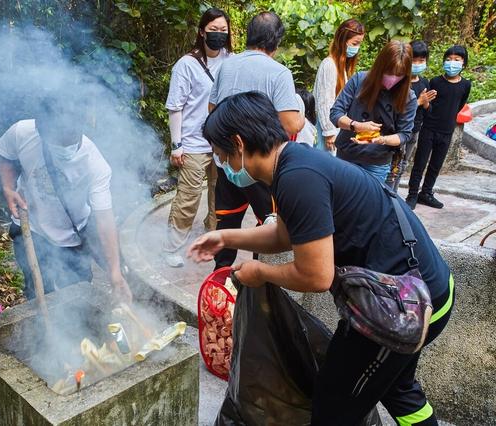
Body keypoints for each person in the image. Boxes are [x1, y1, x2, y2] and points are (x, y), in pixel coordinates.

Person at [188, 91, 454, 426]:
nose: (223, 165)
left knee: (333, 404)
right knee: (397, 387)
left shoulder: (298, 178)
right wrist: (225, 236)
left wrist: (261, 272)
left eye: (221, 155)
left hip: (404, 303)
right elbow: (284, 235)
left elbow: (316, 275)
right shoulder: (293, 162)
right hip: (427, 287)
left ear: (238, 144)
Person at [0, 100, 132, 304]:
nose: (65, 147)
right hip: (31, 229)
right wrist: (8, 188)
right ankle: (44, 331)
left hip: (73, 234)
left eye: (70, 140)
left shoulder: (94, 163)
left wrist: (114, 272)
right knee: (37, 294)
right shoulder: (22, 133)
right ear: (42, 133)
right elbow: (4, 154)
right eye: (58, 142)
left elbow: (104, 219)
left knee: (79, 296)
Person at [208, 11, 304, 269]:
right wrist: (302, 117)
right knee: (270, 224)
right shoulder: (278, 72)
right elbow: (291, 124)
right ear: (276, 41)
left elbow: (212, 110)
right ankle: (260, 282)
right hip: (258, 164)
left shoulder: (226, 65)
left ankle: (220, 283)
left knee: (227, 219)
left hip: (227, 159)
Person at [162, 8, 232, 268]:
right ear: (202, 32)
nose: (218, 35)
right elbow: (175, 107)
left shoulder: (231, 60)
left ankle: (211, 238)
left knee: (220, 195)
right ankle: (172, 247)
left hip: (222, 142)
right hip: (193, 143)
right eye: (213, 30)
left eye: (223, 31)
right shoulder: (187, 64)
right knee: (188, 197)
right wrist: (177, 144)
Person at [330, 40, 417, 182]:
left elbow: (404, 134)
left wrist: (381, 140)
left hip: (377, 163)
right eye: (389, 72)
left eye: (399, 74)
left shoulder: (409, 97)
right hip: (346, 156)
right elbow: (335, 113)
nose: (393, 78)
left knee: (368, 203)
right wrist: (355, 125)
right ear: (380, 66)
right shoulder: (359, 80)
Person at [407, 45, 472, 209]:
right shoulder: (435, 82)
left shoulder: (466, 85)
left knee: (436, 165)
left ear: (463, 64)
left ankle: (426, 193)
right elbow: (428, 106)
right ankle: (412, 194)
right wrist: (428, 106)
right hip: (428, 128)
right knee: (419, 163)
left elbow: (459, 105)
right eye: (449, 59)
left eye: (456, 60)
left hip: (447, 130)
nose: (452, 63)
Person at [385, 40, 437, 191]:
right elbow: (395, 108)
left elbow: (428, 111)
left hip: (414, 131)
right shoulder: (399, 81)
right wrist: (418, 102)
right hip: (399, 131)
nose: (417, 64)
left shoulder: (425, 82)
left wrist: (426, 103)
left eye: (421, 60)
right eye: (414, 60)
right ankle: (388, 194)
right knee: (393, 165)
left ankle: (394, 193)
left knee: (403, 164)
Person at [313, 19, 365, 154]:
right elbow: (324, 102)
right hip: (328, 131)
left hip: (337, 128)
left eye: (359, 44)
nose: (357, 48)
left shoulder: (343, 68)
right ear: (342, 40)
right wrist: (329, 132)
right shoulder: (329, 65)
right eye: (355, 43)